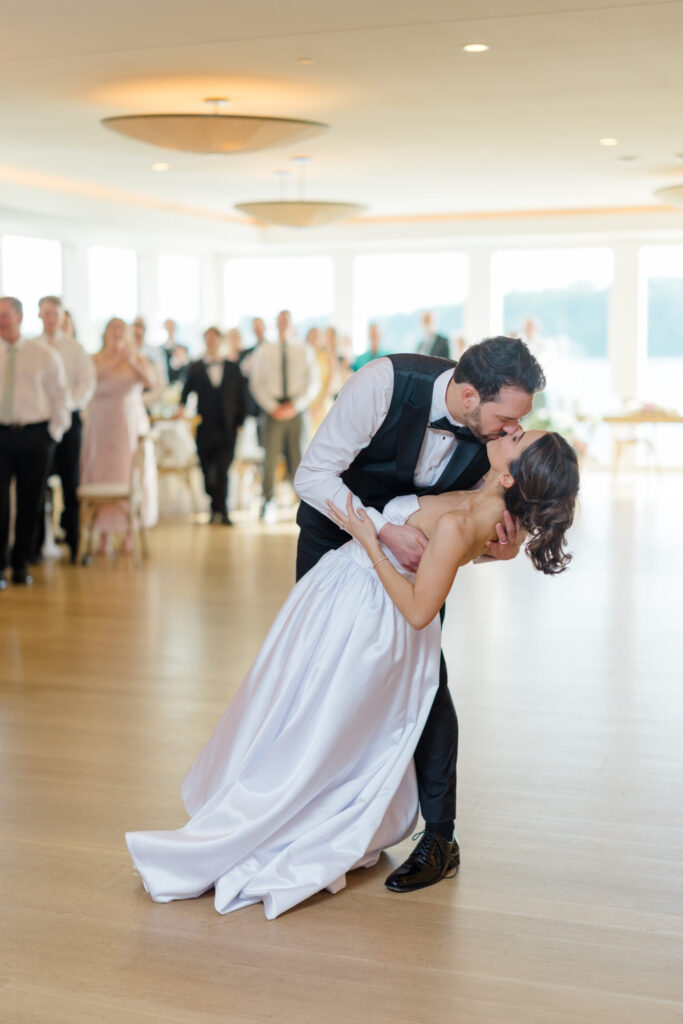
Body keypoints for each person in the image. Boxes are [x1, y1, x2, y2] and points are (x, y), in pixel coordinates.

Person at [126, 427, 579, 918]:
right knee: (308, 719)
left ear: (511, 477)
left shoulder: (467, 518)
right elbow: (455, 557)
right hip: (350, 594)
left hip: (368, 609)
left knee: (309, 725)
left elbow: (418, 610)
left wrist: (369, 539)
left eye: (518, 439)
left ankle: (271, 819)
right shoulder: (486, 510)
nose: (510, 431)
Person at [294, 337, 545, 892]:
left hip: (415, 566)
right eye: (506, 419)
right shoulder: (383, 383)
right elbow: (311, 476)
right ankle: (313, 812)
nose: (514, 431)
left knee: (425, 683)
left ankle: (439, 837)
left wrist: (498, 547)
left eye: (520, 421)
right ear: (469, 395)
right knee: (322, 677)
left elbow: (469, 524)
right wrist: (383, 531)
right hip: (335, 541)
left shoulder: (497, 445)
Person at [0, 297, 69, 587]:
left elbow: (60, 396)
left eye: (5, 315)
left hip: (35, 435)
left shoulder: (43, 355)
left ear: (19, 317)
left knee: (30, 501)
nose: (1, 321)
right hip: (1, 434)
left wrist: (53, 435)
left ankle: (21, 563)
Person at [80, 318, 158, 554]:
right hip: (100, 427)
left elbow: (152, 382)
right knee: (101, 475)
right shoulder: (94, 359)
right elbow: (86, 383)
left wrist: (130, 360)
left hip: (129, 426)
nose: (116, 333)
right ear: (105, 333)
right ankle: (102, 534)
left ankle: (129, 532)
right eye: (112, 329)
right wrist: (114, 361)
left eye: (121, 329)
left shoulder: (137, 359)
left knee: (129, 475)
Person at [33, 296, 96, 564]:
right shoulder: (32, 347)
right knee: (37, 484)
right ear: (40, 316)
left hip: (70, 422)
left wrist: (66, 405)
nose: (50, 319)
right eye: (45, 313)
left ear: (62, 317)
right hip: (40, 423)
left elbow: (86, 384)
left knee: (71, 483)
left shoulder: (75, 348)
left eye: (54, 314)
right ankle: (34, 546)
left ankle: (74, 543)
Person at [248, 310, 320, 521]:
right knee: (269, 458)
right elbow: (256, 382)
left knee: (300, 457)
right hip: (272, 410)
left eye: (286, 322)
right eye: (279, 321)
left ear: (292, 325)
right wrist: (272, 407)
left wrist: (295, 406)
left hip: (297, 409)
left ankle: (304, 504)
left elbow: (313, 382)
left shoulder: (304, 350)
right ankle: (267, 501)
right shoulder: (264, 350)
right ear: (276, 324)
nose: (283, 325)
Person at [180, 327, 248, 525]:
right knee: (206, 469)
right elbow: (185, 392)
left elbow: (243, 396)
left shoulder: (233, 367)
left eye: (215, 337)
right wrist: (181, 408)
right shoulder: (196, 367)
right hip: (205, 427)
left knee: (223, 470)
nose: (212, 341)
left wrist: (241, 422)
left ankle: (223, 511)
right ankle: (214, 505)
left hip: (228, 427)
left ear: (220, 340)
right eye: (208, 338)